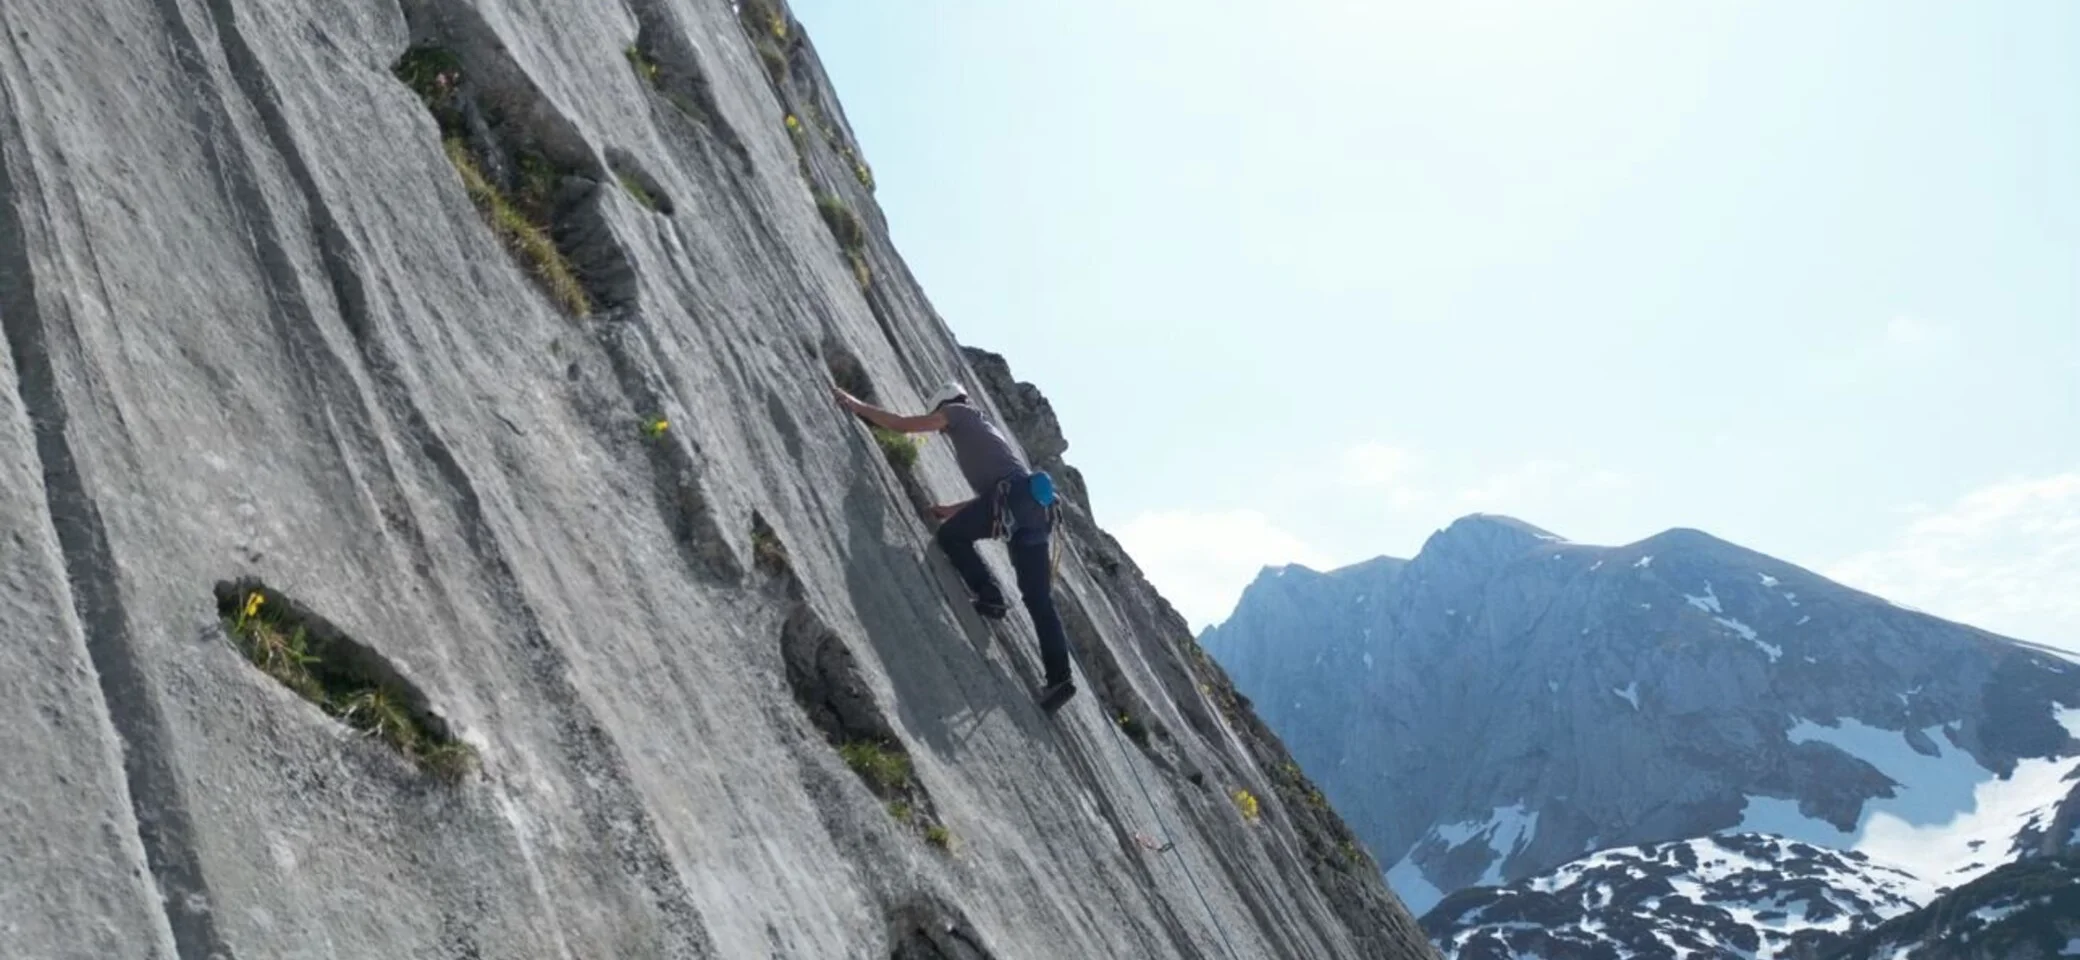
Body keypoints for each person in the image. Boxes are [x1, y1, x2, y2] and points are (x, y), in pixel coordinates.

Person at [834, 379, 1077, 711]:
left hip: (1012, 501)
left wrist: (856, 405)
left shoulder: (956, 412)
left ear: (944, 404)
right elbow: (992, 497)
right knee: (1038, 600)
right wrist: (950, 510)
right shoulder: (985, 429)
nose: (943, 431)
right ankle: (1060, 679)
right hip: (1034, 510)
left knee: (951, 537)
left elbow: (905, 426)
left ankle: (990, 596)